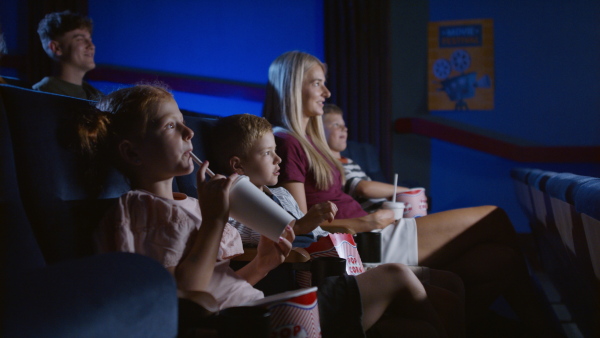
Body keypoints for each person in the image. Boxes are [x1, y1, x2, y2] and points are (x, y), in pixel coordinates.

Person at [79, 84, 449, 337]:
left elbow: (219, 283)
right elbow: (186, 297)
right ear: (132, 153)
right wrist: (215, 219)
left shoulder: (192, 203)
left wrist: (261, 265)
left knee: (416, 328)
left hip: (258, 308)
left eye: (184, 123)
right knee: (396, 276)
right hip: (245, 325)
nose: (189, 134)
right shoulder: (139, 208)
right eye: (171, 126)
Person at [263, 51, 562, 337]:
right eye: (317, 83)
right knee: (494, 217)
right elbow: (302, 229)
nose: (327, 92)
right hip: (363, 242)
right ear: (292, 86)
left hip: (371, 231)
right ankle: (548, 331)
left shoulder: (308, 142)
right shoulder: (286, 143)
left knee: (501, 259)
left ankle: (490, 325)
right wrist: (366, 223)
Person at [207, 113, 465, 337]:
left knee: (450, 284)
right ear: (237, 165)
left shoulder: (282, 195)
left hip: (338, 266)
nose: (278, 159)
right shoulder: (228, 204)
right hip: (302, 280)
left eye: (276, 150)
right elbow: (248, 232)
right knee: (418, 293)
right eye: (266, 153)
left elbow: (319, 235)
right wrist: (301, 224)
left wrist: (331, 235)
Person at [323, 103, 428, 215]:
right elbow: (364, 188)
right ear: (319, 131)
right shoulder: (329, 165)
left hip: (388, 214)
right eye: (335, 124)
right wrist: (407, 191)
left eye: (343, 124)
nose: (344, 128)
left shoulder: (350, 162)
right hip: (373, 220)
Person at [33, 10, 103, 100]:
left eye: (90, 39)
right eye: (80, 39)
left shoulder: (96, 96)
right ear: (56, 48)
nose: (91, 46)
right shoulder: (42, 94)